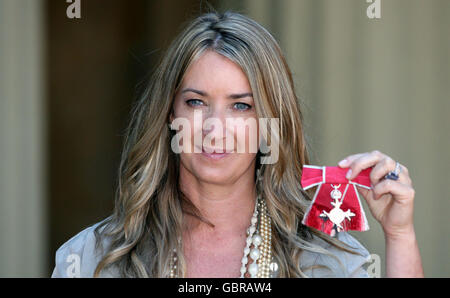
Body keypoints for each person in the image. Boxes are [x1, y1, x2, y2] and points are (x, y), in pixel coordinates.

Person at [51, 10, 423, 278]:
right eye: (196, 102)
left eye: (241, 106)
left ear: (268, 125)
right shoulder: (91, 258)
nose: (216, 128)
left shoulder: (325, 258)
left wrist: (399, 235)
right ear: (169, 114)